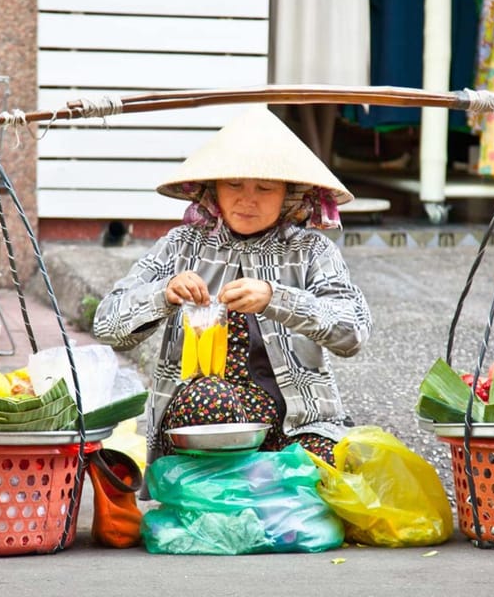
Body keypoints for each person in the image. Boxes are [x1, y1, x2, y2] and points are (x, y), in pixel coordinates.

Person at [93, 107, 372, 471]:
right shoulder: (182, 245)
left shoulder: (311, 251)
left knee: (322, 466)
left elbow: (353, 332)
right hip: (205, 417)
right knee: (208, 397)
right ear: (213, 190)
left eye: (265, 188)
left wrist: (276, 299)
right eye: (234, 185)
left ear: (288, 194)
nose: (247, 199)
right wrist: (164, 294)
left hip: (298, 422)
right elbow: (107, 324)